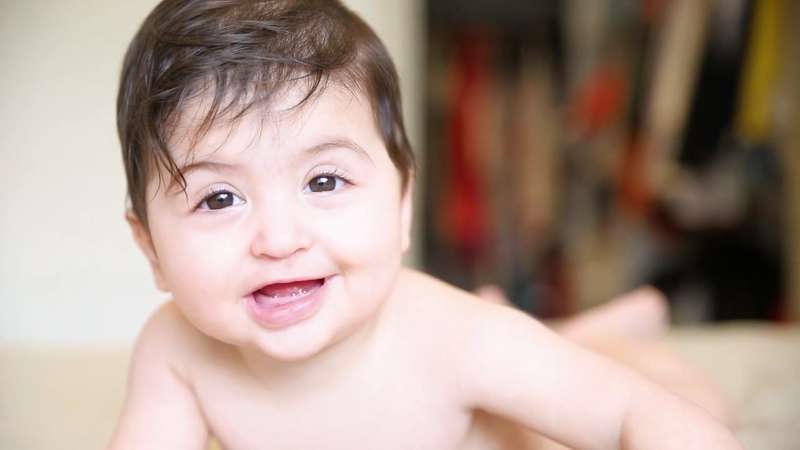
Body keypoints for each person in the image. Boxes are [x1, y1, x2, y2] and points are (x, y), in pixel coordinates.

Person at [109, 1, 741, 448]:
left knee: (693, 400)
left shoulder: (456, 340)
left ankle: (592, 336)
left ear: (403, 204)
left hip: (500, 375)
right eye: (219, 198)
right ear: (151, 249)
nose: (278, 240)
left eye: (324, 182)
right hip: (495, 340)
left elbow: (638, 415)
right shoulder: (176, 348)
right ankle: (577, 332)